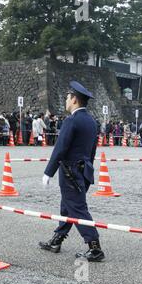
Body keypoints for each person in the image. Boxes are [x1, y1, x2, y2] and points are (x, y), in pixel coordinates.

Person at [40, 81, 105, 262]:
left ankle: (95, 247)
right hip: (83, 171)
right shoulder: (91, 121)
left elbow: (60, 149)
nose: (66, 100)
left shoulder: (72, 120)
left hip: (70, 172)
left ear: (74, 100)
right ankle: (57, 240)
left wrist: (48, 172)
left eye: (68, 97)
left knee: (77, 209)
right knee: (67, 206)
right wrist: (87, 170)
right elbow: (92, 151)